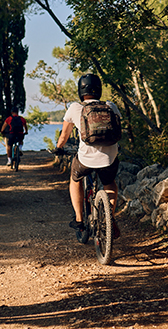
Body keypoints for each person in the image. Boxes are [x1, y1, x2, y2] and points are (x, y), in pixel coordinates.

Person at [54, 74, 121, 237]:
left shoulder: (75, 108)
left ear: (80, 90)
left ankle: (79, 220)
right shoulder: (110, 105)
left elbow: (64, 136)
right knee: (109, 183)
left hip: (86, 159)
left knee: (75, 178)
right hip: (109, 158)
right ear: (99, 89)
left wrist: (58, 148)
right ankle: (110, 217)